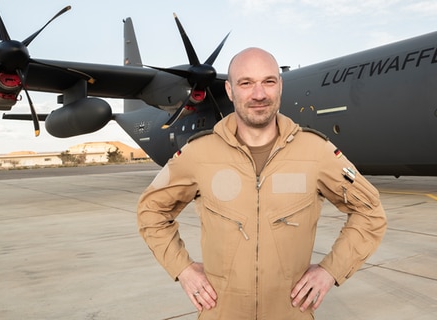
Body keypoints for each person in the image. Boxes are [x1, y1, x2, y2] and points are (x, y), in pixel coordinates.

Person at [137, 47, 387, 319]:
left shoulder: (317, 151)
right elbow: (151, 211)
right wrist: (183, 270)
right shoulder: (197, 153)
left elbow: (370, 212)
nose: (259, 94)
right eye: (246, 83)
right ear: (230, 91)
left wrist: (330, 271)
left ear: (280, 86)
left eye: (268, 81)